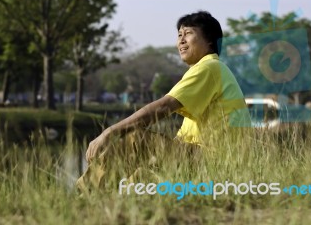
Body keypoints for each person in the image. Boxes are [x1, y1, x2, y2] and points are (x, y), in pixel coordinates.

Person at [77, 11, 251, 190]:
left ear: (209, 41)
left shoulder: (209, 67)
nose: (181, 40)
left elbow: (164, 107)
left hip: (212, 161)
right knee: (140, 177)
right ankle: (102, 202)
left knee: (135, 139)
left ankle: (83, 194)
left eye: (189, 33)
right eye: (179, 35)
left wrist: (110, 132)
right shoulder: (212, 69)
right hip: (211, 161)